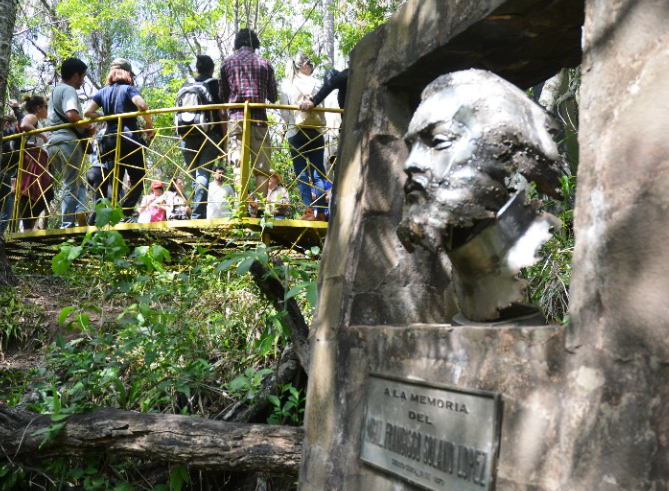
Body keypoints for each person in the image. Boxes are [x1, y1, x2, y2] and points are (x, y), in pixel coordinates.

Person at [397, 69, 566, 322]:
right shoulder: (458, 246)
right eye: (412, 148)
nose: (409, 163)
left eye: (440, 141)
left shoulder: (518, 239)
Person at [84, 58, 154, 221]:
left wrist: (106, 117)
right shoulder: (129, 89)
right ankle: (125, 212)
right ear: (127, 73)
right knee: (138, 177)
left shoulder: (102, 92)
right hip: (129, 138)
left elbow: (87, 112)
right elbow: (142, 105)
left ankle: (111, 218)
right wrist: (148, 124)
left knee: (113, 181)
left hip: (109, 141)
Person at [219, 28, 277, 214]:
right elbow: (273, 96)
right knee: (261, 167)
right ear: (255, 43)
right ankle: (259, 209)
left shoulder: (227, 63)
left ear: (237, 42)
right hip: (259, 119)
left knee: (238, 165)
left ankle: (241, 208)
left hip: (236, 119)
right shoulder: (264, 63)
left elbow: (222, 95)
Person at [47, 57, 95, 228]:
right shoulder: (68, 90)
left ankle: (81, 210)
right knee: (70, 184)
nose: (82, 81)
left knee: (74, 182)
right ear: (76, 75)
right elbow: (71, 115)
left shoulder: (53, 92)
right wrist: (88, 127)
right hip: (68, 141)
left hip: (53, 143)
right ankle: (66, 225)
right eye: (83, 77)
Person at [280, 52, 327, 221]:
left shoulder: (287, 84)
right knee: (318, 173)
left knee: (302, 173)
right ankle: (321, 213)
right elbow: (324, 104)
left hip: (296, 132)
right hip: (315, 130)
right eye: (311, 65)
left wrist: (290, 124)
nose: (312, 68)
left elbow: (284, 111)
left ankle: (308, 212)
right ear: (304, 65)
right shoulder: (316, 82)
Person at [179, 55, 225, 219]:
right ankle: (198, 215)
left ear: (197, 69)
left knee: (197, 177)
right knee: (202, 176)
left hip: (186, 135)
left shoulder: (186, 84)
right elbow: (222, 114)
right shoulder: (214, 84)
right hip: (209, 135)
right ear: (212, 69)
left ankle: (198, 212)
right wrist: (223, 142)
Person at [17, 95, 53, 231]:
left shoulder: (37, 119)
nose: (47, 109)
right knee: (30, 192)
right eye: (45, 107)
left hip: (37, 158)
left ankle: (28, 225)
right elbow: (24, 124)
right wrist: (43, 135)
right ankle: (27, 227)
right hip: (32, 157)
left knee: (41, 192)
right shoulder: (32, 117)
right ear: (38, 108)